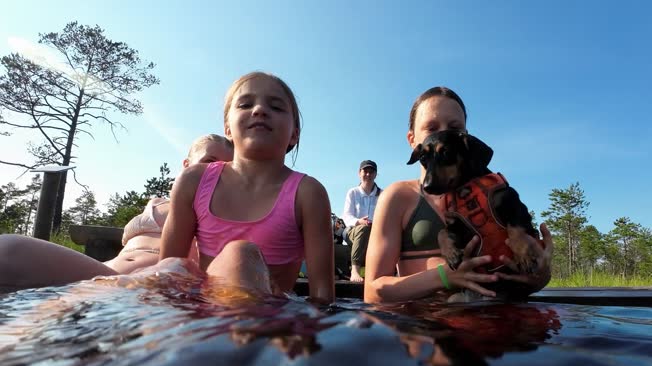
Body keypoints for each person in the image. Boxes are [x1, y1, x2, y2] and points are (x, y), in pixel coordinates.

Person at [363, 86, 553, 303]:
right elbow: (372, 292)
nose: (444, 134)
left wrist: (540, 276)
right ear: (412, 139)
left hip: (502, 314)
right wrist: (445, 276)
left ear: (464, 136)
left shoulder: (490, 195)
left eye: (454, 127)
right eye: (431, 128)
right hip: (428, 324)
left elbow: (528, 277)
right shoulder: (398, 196)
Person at [159, 71, 334, 304]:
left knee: (240, 252)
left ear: (295, 134)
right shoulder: (194, 181)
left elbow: (323, 296)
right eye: (245, 104)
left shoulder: (308, 193)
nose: (259, 110)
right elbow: (169, 274)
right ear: (227, 128)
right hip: (205, 314)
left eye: (276, 107)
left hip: (271, 321)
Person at [0, 135, 233, 294]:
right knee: (6, 251)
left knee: (9, 250)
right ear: (187, 164)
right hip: (103, 272)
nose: (215, 171)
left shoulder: (225, 213)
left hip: (147, 286)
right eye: (209, 161)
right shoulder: (161, 202)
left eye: (226, 167)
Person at [341, 159, 381, 282]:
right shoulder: (352, 192)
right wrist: (359, 221)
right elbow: (346, 216)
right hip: (352, 230)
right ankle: (355, 270)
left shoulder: (383, 194)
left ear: (376, 174)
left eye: (371, 171)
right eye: (365, 171)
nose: (368, 174)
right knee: (363, 229)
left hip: (374, 233)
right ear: (359, 173)